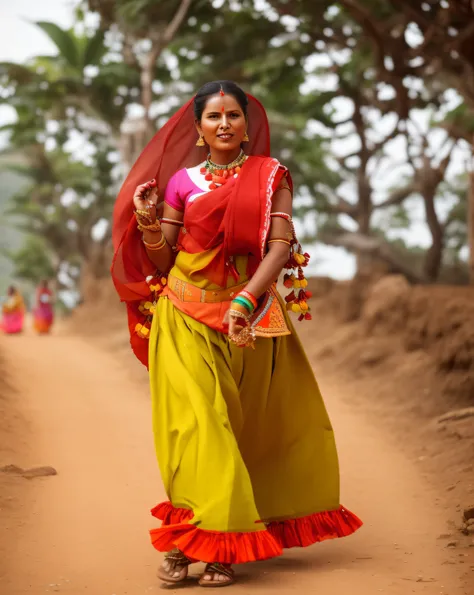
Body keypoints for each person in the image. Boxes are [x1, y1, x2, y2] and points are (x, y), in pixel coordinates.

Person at [111, 80, 362, 588]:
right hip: (182, 314)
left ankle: (220, 538)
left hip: (247, 319)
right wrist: (148, 221)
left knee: (238, 427)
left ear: (247, 123)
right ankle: (196, 537)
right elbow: (167, 258)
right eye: (212, 117)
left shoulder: (272, 177)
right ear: (199, 129)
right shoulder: (182, 182)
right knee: (195, 428)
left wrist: (247, 300)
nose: (223, 123)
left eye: (232, 114)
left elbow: (278, 247)